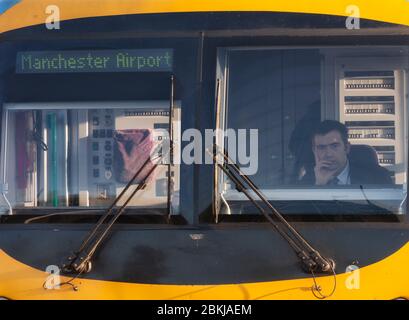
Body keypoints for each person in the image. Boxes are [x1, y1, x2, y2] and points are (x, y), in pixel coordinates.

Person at [299, 120, 393, 186]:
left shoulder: (377, 176)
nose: (328, 154)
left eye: (334, 146)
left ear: (347, 148)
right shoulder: (308, 181)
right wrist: (319, 185)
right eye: (321, 148)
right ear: (314, 151)